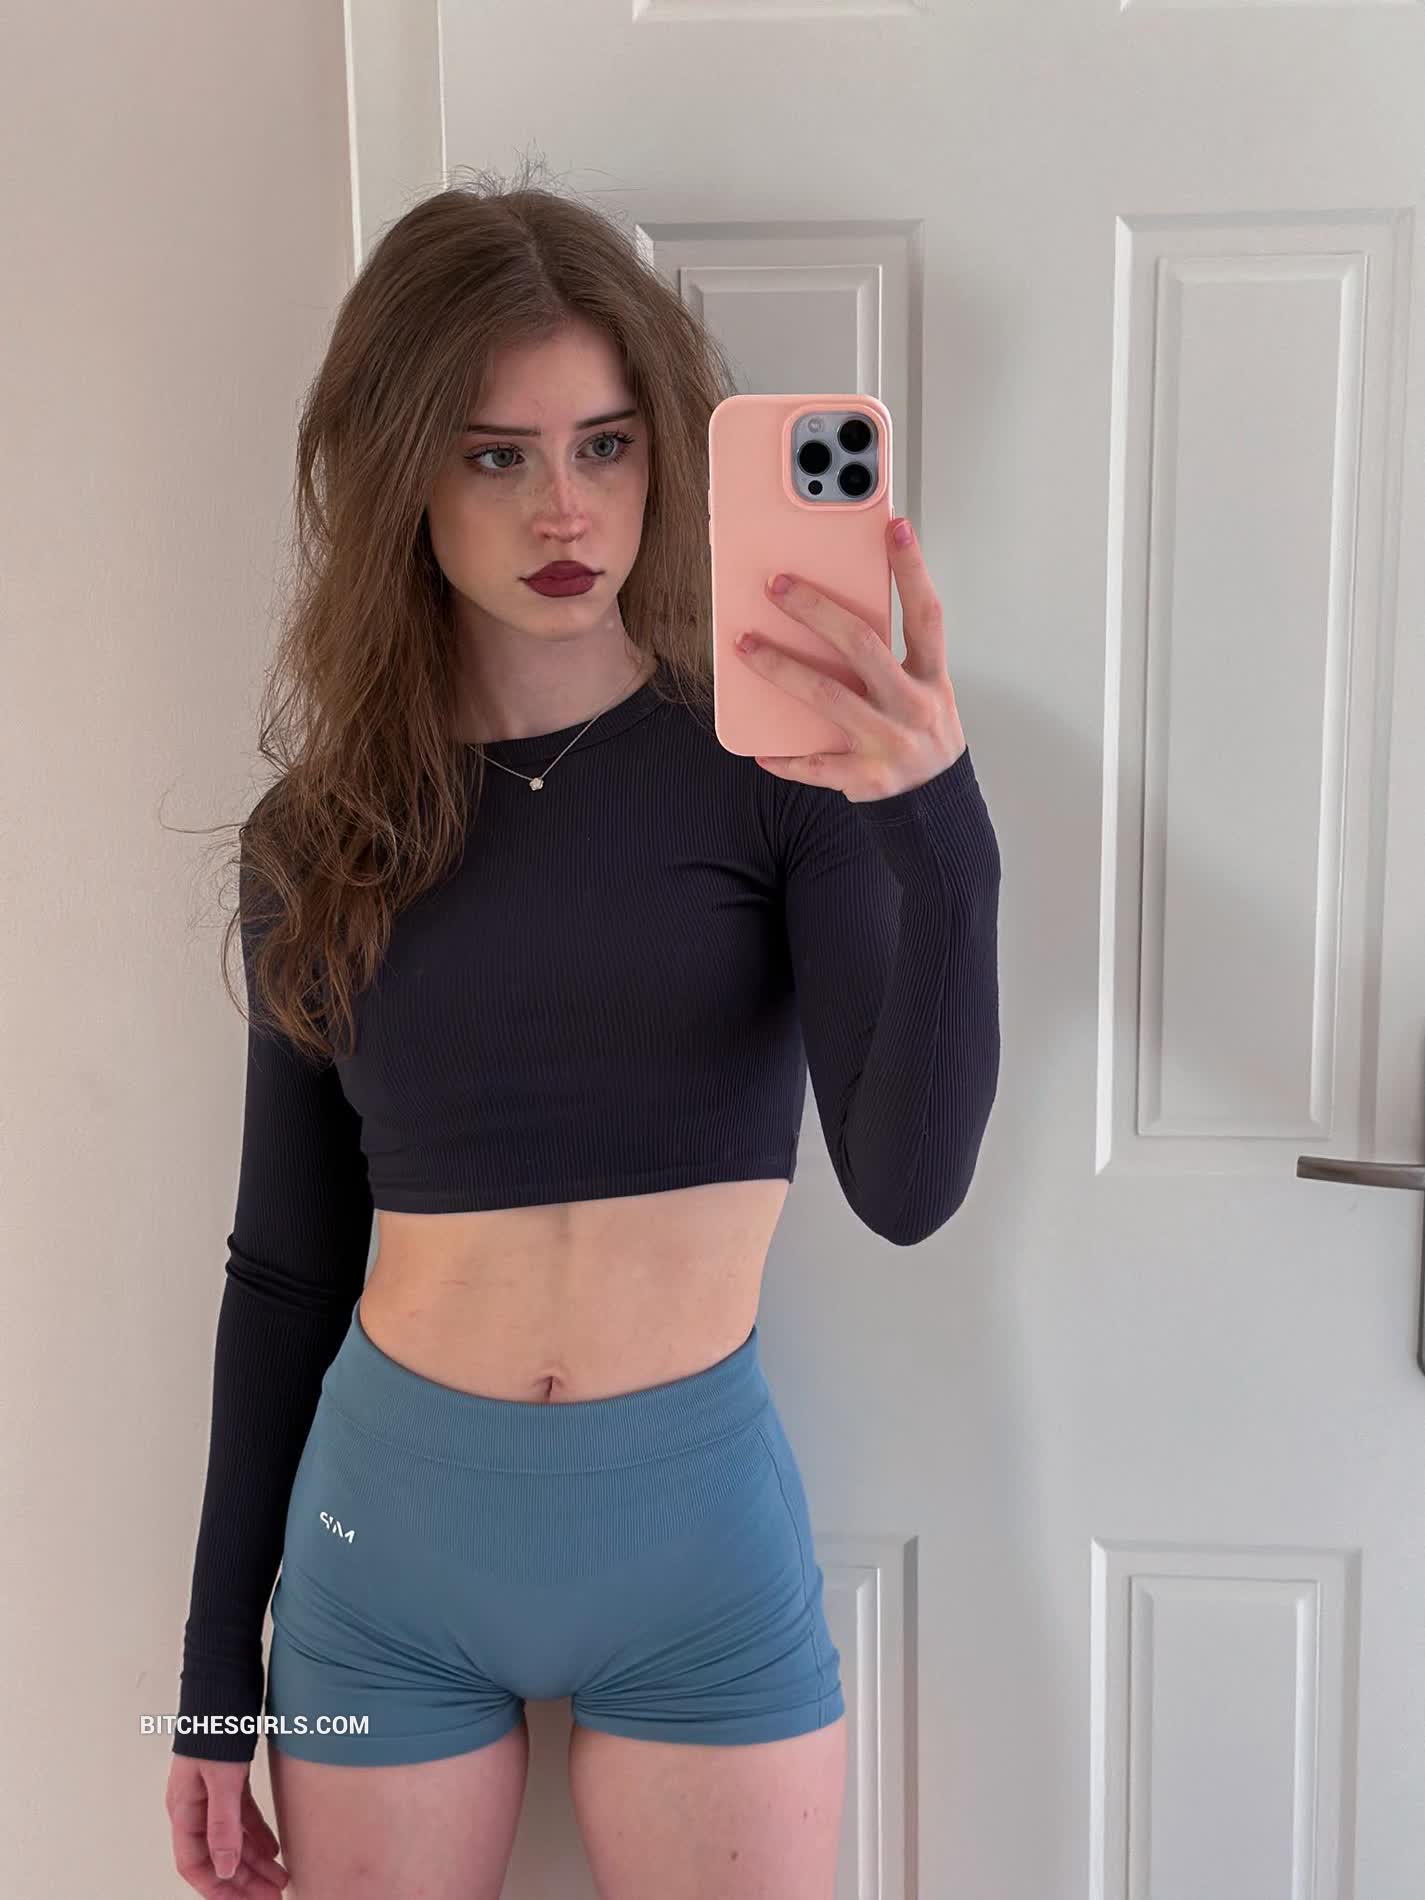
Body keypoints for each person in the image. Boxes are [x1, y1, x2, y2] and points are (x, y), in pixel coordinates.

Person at [164, 160, 1001, 1900]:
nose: (565, 506)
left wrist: (937, 825)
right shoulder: (319, 835)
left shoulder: (779, 780)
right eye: (498, 455)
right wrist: (209, 1687)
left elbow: (908, 1188)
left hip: (696, 1550)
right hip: (380, 1549)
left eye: (605, 445)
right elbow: (284, 1271)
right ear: (401, 472)